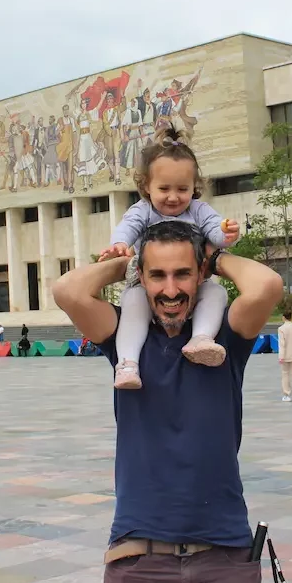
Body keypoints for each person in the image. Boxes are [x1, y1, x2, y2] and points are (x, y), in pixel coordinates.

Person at [53, 220, 283, 583]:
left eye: (183, 273)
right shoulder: (125, 340)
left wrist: (215, 256)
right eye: (157, 275)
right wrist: (125, 261)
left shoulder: (225, 339)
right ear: (141, 279)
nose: (170, 289)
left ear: (201, 275)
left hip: (223, 556)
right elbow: (68, 291)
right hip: (140, 558)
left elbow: (266, 285)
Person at [98, 128, 239, 389]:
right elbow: (127, 227)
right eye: (164, 188)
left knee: (217, 295)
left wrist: (226, 233)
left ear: (194, 188)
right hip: (147, 286)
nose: (173, 197)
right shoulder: (143, 211)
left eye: (182, 189)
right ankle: (128, 363)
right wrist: (119, 245)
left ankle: (201, 338)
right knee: (132, 304)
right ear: (146, 187)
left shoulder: (198, 210)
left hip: (193, 283)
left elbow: (214, 228)